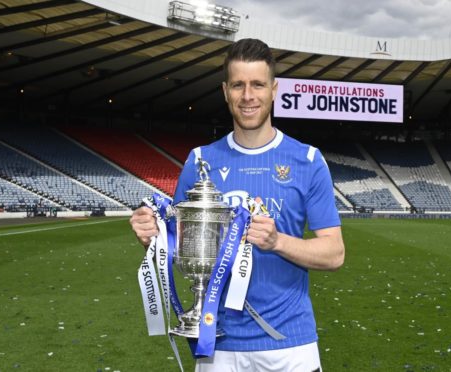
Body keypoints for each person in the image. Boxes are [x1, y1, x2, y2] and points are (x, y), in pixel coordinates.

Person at [130, 38, 345, 371]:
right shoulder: (200, 162)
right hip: (217, 345)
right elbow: (182, 249)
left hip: (290, 347)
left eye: (258, 84)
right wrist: (154, 237)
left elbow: (335, 254)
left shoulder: (308, 160)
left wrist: (277, 242)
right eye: (238, 85)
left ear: (274, 90)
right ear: (225, 91)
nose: (248, 96)